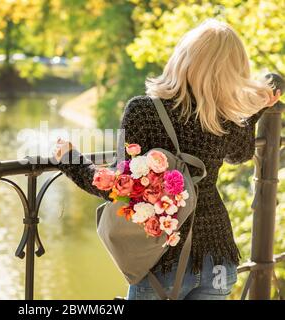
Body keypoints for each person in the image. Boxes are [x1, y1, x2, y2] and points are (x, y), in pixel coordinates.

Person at [53, 19, 281, 300]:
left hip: (163, 260)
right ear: (234, 71)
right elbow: (241, 153)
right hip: (219, 260)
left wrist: (71, 160)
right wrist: (256, 110)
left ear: (182, 58)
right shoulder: (225, 118)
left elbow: (117, 187)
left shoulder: (144, 111)